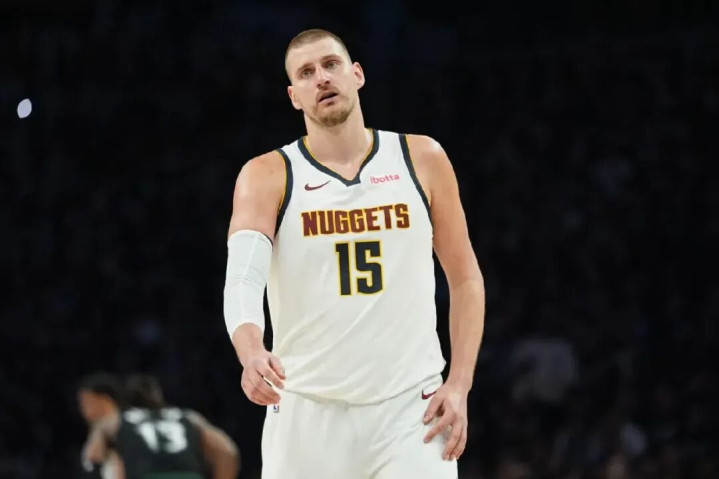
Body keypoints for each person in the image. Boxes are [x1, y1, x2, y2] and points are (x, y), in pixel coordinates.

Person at [223, 28, 485, 479]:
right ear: (294, 96)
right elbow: (244, 278)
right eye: (306, 73)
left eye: (331, 64)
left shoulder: (421, 157)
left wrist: (459, 384)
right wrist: (250, 351)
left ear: (357, 74)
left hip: (411, 409)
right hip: (307, 408)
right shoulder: (267, 174)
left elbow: (465, 280)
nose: (322, 78)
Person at [81, 374, 240, 479]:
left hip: (147, 475)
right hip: (190, 475)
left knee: (110, 459)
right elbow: (227, 451)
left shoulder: (114, 420)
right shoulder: (188, 417)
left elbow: (93, 456)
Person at [77, 373, 127, 479]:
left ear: (104, 400)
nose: (82, 409)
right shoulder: (98, 429)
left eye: (86, 402)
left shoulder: (124, 427)